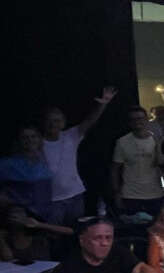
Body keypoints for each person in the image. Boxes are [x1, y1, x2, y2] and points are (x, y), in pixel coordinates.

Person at [41, 86, 116, 224]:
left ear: (63, 123)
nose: (53, 124)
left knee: (77, 232)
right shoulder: (38, 142)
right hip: (51, 198)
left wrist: (102, 104)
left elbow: (89, 121)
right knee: (53, 234)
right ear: (44, 123)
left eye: (57, 121)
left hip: (74, 194)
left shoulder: (70, 135)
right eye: (50, 121)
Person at [0, 126, 54, 221]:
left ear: (39, 139)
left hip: (45, 216)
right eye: (25, 137)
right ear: (19, 141)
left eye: (33, 136)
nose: (30, 140)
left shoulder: (44, 160)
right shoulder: (6, 163)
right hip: (21, 218)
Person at [111, 106, 164, 218]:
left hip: (155, 193)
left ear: (146, 119)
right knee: (134, 230)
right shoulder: (122, 142)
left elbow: (163, 163)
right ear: (129, 122)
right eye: (134, 119)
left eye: (140, 118)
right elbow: (115, 169)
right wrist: (116, 193)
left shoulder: (156, 140)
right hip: (130, 195)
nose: (137, 122)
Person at [0, 204, 72, 263]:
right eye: (12, 214)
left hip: (42, 270)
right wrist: (0, 239)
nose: (16, 217)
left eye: (19, 214)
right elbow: (8, 259)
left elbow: (70, 232)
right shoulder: (6, 236)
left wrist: (39, 224)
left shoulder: (37, 233)